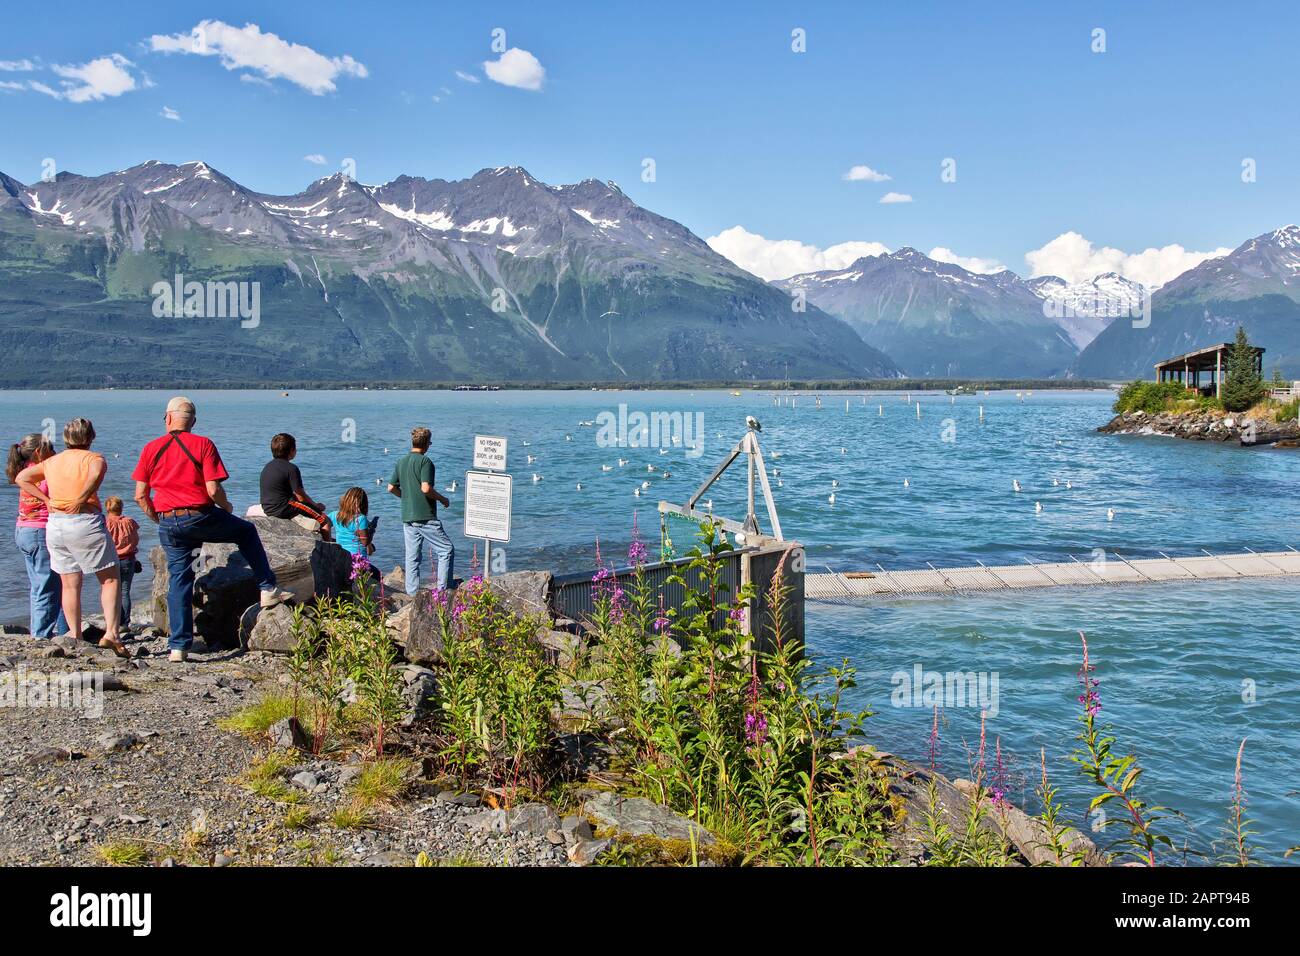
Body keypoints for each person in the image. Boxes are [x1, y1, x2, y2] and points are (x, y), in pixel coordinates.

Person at [132, 397, 294, 663]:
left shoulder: (151, 448)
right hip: (200, 515)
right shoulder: (203, 444)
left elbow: (140, 495)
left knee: (179, 581)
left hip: (169, 521)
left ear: (167, 418)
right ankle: (267, 588)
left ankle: (178, 647)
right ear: (192, 421)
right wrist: (227, 506)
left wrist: (159, 519)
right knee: (246, 532)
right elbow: (212, 489)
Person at [15, 419, 126, 657]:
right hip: (84, 521)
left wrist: (47, 501)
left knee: (69, 583)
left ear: (65, 439)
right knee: (109, 578)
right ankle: (112, 634)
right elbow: (96, 474)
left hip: (56, 525)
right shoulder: (94, 458)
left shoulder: (52, 461)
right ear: (91, 437)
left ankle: (74, 633)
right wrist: (81, 497)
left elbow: (22, 478)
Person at [7, 434, 68, 637]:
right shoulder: (41, 474)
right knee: (46, 585)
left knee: (40, 585)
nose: (54, 451)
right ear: (38, 452)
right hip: (39, 531)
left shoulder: (26, 471)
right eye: (50, 447)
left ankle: (46, 630)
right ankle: (41, 635)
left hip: (24, 529)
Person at [388, 426, 454, 593]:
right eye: (430, 443)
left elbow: (390, 487)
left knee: (412, 557)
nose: (430, 446)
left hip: (408, 517)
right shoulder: (425, 462)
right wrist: (442, 499)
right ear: (426, 443)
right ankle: (443, 591)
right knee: (446, 550)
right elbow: (426, 488)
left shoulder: (401, 461)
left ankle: (412, 593)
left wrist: (406, 497)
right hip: (425, 516)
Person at [259, 433, 332, 540]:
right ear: (292, 451)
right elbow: (300, 496)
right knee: (324, 520)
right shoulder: (291, 468)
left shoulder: (267, 467)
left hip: (267, 508)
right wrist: (316, 506)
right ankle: (329, 549)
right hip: (283, 507)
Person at [104, 496, 140, 630]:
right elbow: (135, 540)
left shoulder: (105, 523)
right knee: (125, 592)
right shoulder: (129, 522)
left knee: (109, 591)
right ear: (121, 507)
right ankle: (124, 623)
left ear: (107, 508)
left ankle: (112, 622)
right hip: (128, 559)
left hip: (110, 560)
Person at [329, 487, 376, 559]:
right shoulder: (361, 519)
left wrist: (331, 540)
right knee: (376, 570)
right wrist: (372, 530)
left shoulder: (334, 515)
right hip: (357, 560)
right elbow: (365, 542)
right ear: (363, 504)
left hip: (340, 557)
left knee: (372, 547)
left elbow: (322, 525)